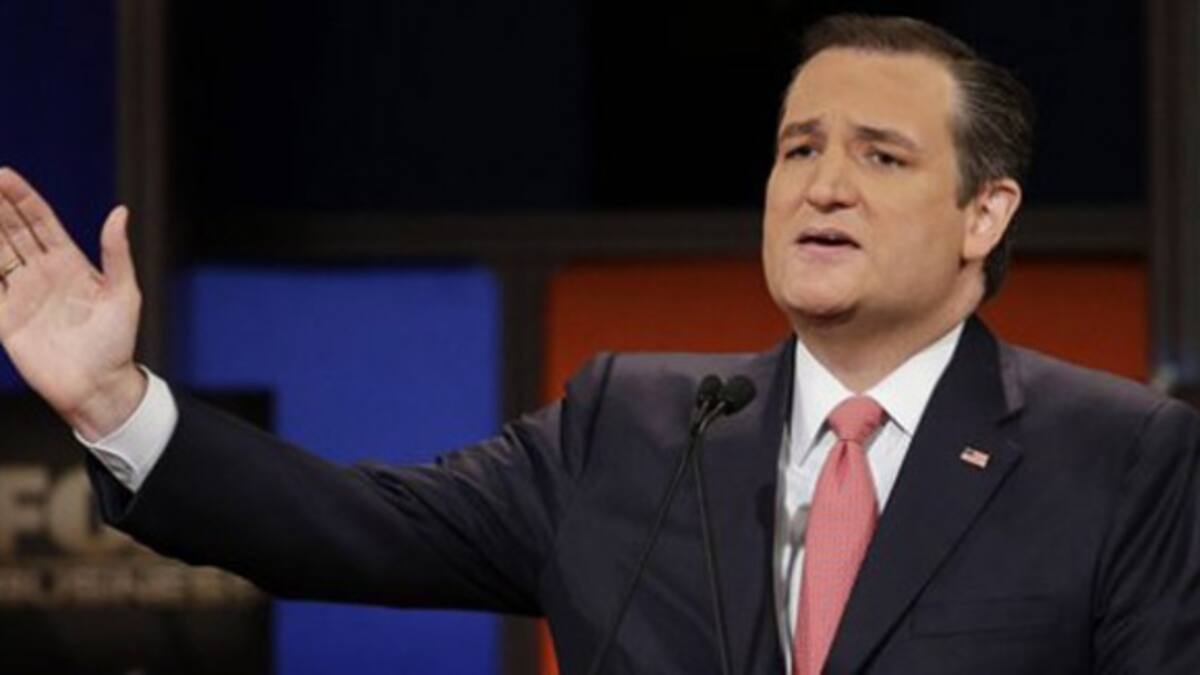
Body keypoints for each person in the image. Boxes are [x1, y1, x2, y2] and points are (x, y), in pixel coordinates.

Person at [1, 13, 1197, 675]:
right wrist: (112, 402)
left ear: (985, 214)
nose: (823, 184)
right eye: (798, 148)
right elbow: (352, 527)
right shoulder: (632, 427)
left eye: (881, 157)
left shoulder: (1120, 457)